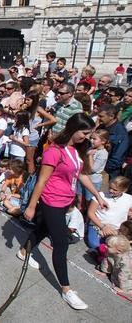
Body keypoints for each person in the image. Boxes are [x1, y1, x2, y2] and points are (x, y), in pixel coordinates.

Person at [17, 113, 108, 310]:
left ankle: (24, 250)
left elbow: (82, 176)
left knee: (43, 229)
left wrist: (98, 196)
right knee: (60, 243)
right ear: (73, 129)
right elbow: (42, 180)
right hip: (52, 201)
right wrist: (32, 206)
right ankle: (66, 290)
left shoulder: (76, 151)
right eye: (84, 133)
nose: (87, 138)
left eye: (90, 134)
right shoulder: (54, 151)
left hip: (66, 200)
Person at [86, 176, 132, 254]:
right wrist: (103, 227)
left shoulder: (129, 198)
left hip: (117, 229)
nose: (111, 190)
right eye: (110, 187)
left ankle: (105, 252)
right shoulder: (100, 195)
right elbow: (90, 213)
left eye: (115, 190)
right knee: (94, 244)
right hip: (98, 225)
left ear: (124, 190)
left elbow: (129, 212)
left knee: (120, 246)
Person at [97, 104, 129, 180]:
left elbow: (117, 159)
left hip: (108, 173)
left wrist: (102, 168)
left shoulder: (120, 134)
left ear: (111, 116)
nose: (98, 118)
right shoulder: (102, 126)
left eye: (101, 116)